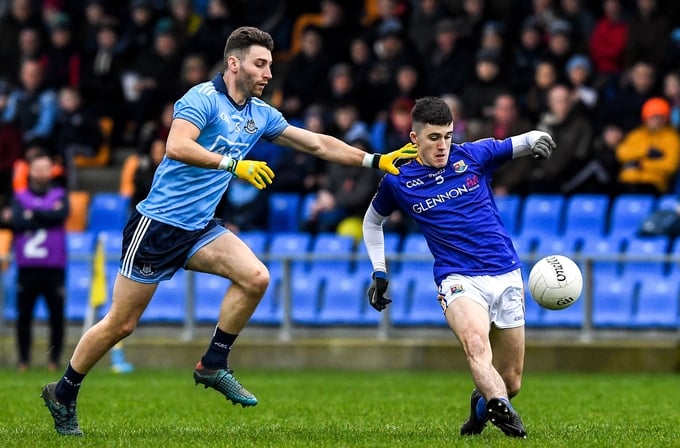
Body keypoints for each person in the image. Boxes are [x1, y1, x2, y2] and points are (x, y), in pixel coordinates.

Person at [40, 26, 418, 436]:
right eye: (260, 64)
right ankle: (63, 392)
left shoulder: (260, 114)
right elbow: (176, 146)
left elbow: (316, 144)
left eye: (270, 65)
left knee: (256, 277)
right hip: (157, 226)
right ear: (234, 63)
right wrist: (233, 164)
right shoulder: (201, 99)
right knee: (121, 324)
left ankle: (213, 363)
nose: (268, 73)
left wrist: (374, 160)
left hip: (199, 228)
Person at [361, 96, 556, 438]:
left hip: (506, 272)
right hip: (458, 278)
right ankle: (504, 413)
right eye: (434, 137)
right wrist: (379, 270)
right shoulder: (399, 179)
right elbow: (371, 222)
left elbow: (520, 142)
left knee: (511, 381)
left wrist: (539, 139)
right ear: (414, 139)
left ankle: (485, 404)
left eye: (448, 136)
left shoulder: (472, 155)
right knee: (476, 345)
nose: (443, 145)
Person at [0, 151, 68, 373]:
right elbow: (17, 222)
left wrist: (32, 214)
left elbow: (61, 215)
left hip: (54, 266)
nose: (41, 172)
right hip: (27, 267)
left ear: (52, 170)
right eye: (37, 168)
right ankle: (23, 360)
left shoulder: (60, 194)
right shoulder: (19, 197)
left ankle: (54, 360)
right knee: (24, 316)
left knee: (56, 316)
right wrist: (46, 213)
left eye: (45, 168)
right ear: (30, 170)